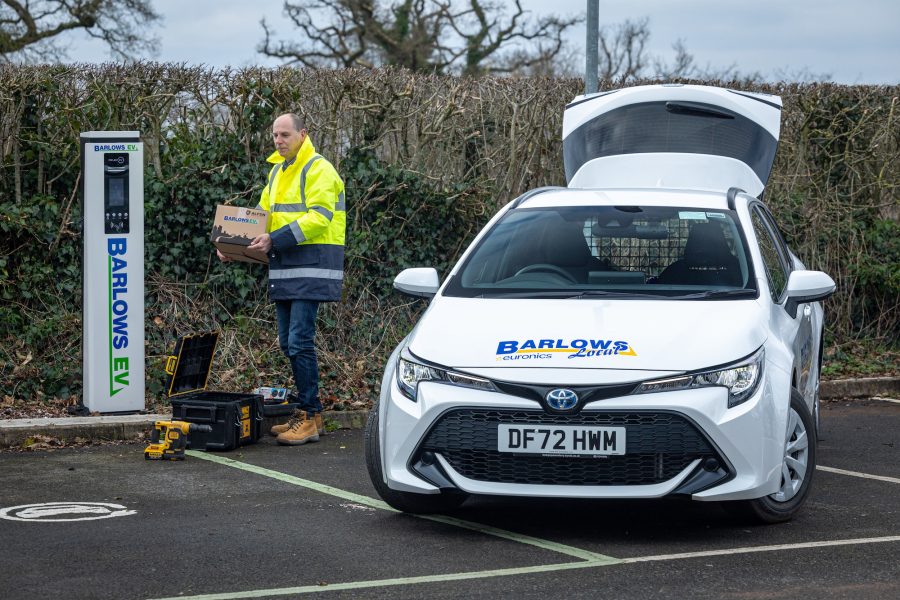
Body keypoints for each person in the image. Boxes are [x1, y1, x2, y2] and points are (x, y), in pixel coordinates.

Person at [217, 112, 346, 446]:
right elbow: (261, 218)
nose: (278, 141)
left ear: (303, 134)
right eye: (275, 135)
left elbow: (320, 217)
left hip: (312, 267)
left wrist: (275, 240)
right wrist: (234, 245)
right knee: (289, 343)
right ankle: (311, 415)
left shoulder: (320, 168)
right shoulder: (276, 172)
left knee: (299, 341)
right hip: (288, 268)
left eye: (285, 134)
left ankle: (307, 416)